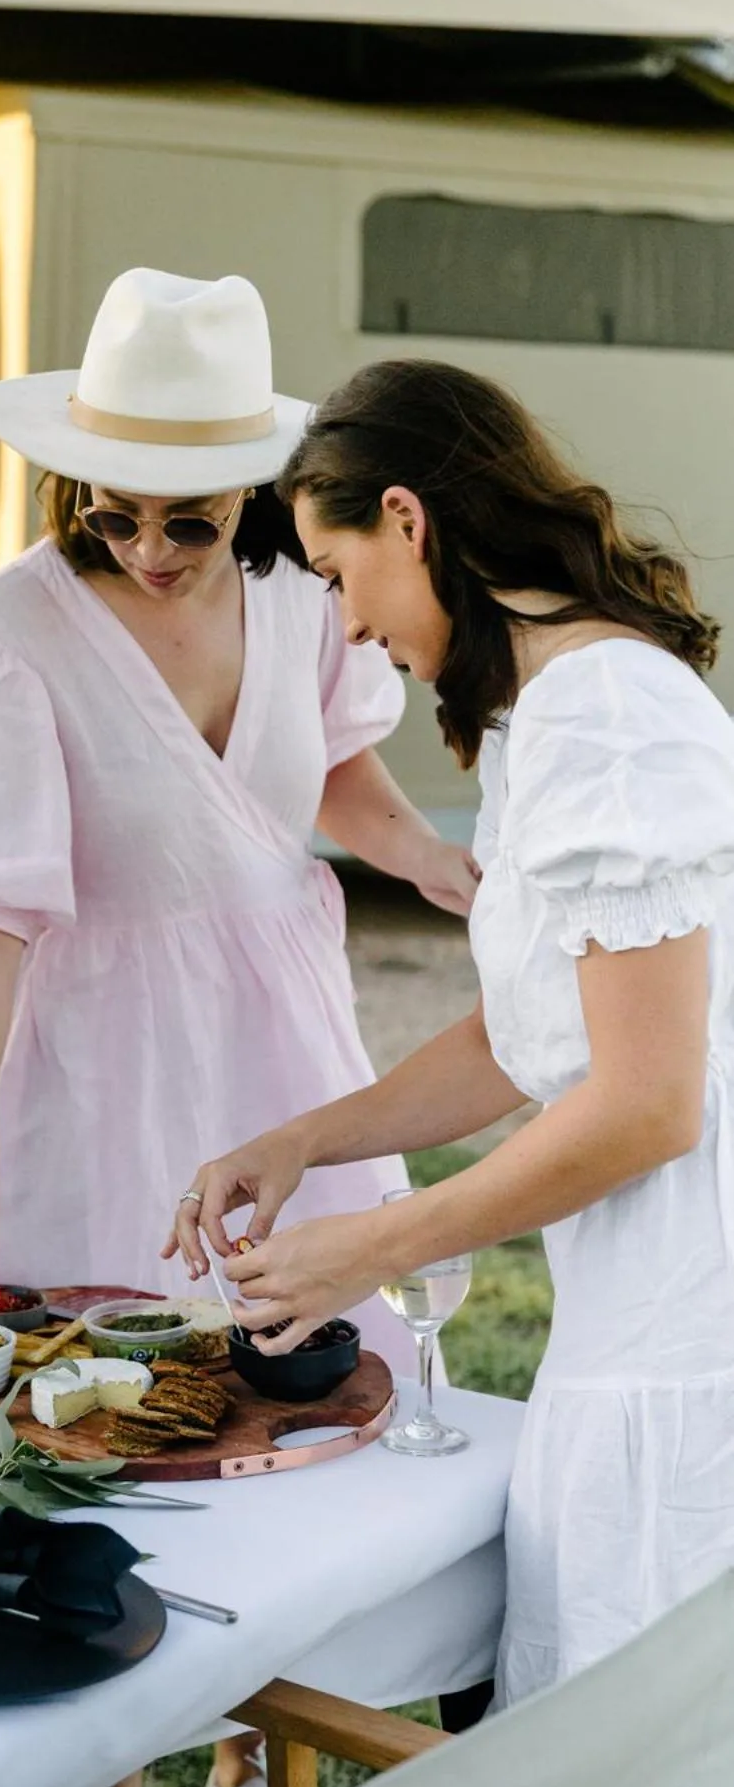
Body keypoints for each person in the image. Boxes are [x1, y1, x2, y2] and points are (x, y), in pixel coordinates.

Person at [0, 271, 478, 1787]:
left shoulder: (301, 592)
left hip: (278, 1033)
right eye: (108, 511)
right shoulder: (14, 636)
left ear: (258, 502)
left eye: (188, 522)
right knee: (104, 1422)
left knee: (300, 1391)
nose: (145, 548)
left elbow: (337, 766)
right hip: (97, 1055)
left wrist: (428, 861)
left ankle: (256, 1730)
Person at [170, 357, 734, 1712]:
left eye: (334, 567)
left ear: (408, 520)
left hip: (690, 1320)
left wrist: (380, 1240)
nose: (344, 622)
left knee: (642, 1761)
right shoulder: (552, 709)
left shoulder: (600, 719)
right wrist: (307, 1137)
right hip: (634, 1299)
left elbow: (651, 1103)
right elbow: (522, 1039)